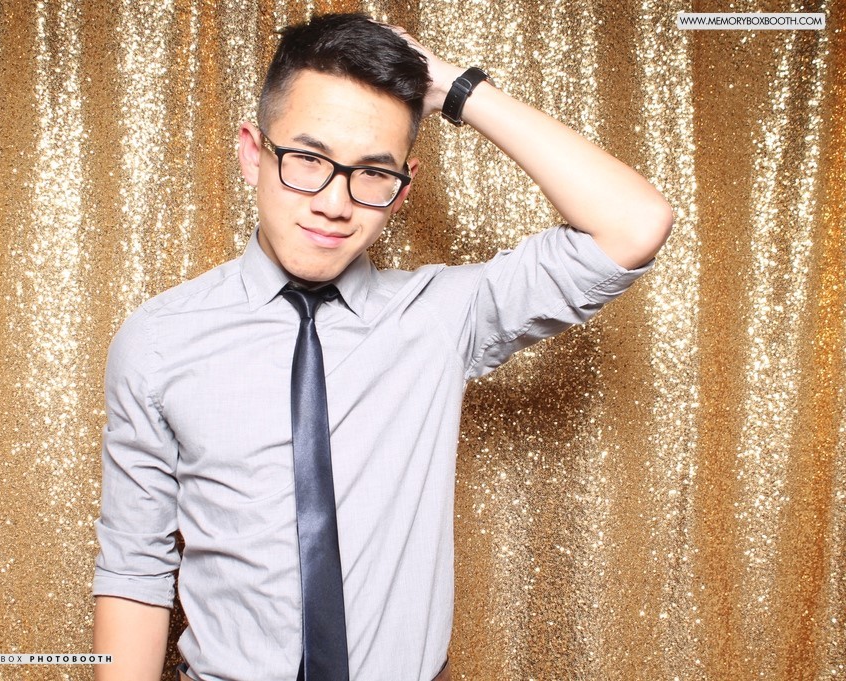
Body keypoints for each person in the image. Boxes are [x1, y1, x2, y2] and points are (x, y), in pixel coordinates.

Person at [91, 12, 672, 681]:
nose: (335, 202)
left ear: (403, 188)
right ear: (253, 153)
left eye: (372, 173)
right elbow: (134, 569)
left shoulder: (442, 315)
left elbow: (635, 223)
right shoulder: (160, 341)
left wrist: (454, 89)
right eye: (308, 160)